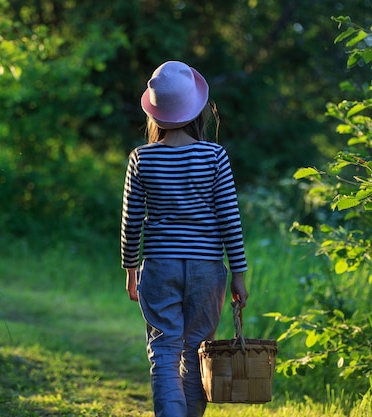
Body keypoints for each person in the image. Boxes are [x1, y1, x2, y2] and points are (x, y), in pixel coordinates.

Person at [120, 60, 249, 417]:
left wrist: (131, 270)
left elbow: (132, 222)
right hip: (207, 270)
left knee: (163, 351)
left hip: (159, 267)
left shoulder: (141, 158)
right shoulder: (214, 156)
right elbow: (229, 219)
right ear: (197, 110)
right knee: (196, 350)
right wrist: (238, 273)